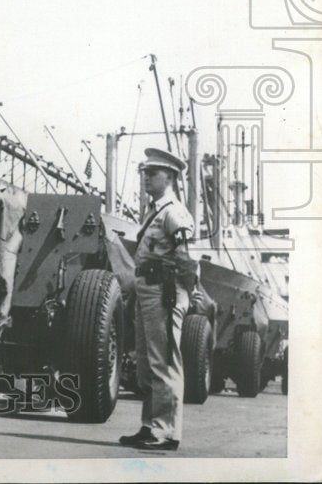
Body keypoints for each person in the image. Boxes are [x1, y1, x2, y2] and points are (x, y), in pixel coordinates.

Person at [119, 147, 196, 452]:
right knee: (148, 365)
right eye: (145, 173)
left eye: (153, 173)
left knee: (163, 362)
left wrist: (182, 294)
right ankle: (150, 426)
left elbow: (187, 259)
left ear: (171, 177)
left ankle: (166, 432)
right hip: (148, 291)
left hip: (163, 292)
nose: (146, 178)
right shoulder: (156, 211)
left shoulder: (173, 212)